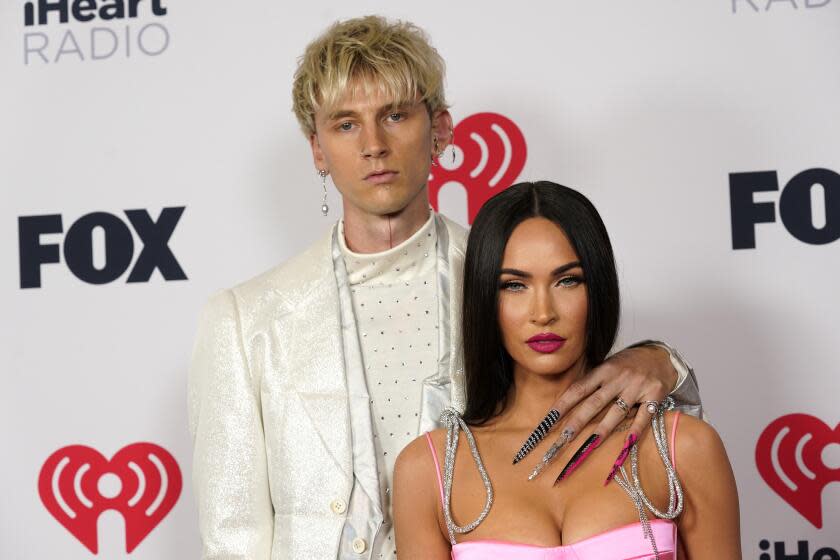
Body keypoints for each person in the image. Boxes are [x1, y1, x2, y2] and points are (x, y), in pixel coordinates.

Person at [187, 17, 705, 560]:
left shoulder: (508, 282)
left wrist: (661, 361)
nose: (373, 145)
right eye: (345, 125)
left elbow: (595, 403)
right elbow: (232, 539)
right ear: (316, 149)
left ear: (441, 130)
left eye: (394, 115)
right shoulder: (244, 321)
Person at [393, 181, 740, 559]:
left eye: (567, 280)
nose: (543, 312)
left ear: (599, 288)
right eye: (514, 285)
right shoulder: (427, 471)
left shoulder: (684, 448)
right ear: (484, 299)